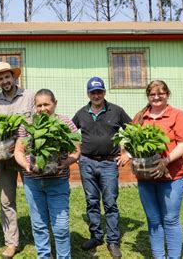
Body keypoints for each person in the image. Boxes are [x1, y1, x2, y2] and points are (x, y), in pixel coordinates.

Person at [14, 89, 80, 258]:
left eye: (46, 104)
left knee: (61, 226)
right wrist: (27, 165)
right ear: (35, 106)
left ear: (55, 104)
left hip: (57, 181)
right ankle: (44, 256)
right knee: (39, 225)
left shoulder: (65, 123)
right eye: (39, 105)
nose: (43, 108)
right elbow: (19, 152)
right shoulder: (28, 124)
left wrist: (64, 163)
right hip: (33, 182)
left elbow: (76, 151)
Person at [72, 77, 131, 258]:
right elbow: (70, 133)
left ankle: (113, 241)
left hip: (109, 163)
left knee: (110, 202)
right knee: (91, 201)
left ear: (104, 92)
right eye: (93, 92)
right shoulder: (81, 113)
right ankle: (96, 236)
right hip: (87, 162)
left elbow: (133, 130)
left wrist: (126, 153)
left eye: (99, 92)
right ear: (88, 94)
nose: (96, 95)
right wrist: (76, 154)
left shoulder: (117, 111)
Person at [132, 80, 183, 258]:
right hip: (146, 178)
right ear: (148, 96)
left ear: (167, 94)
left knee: (170, 220)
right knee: (153, 220)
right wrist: (128, 154)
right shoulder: (140, 117)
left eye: (160, 93)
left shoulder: (177, 116)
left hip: (172, 177)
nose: (156, 97)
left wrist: (166, 161)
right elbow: (130, 142)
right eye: (152, 94)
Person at [0, 62, 34, 258]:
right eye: (0, 78)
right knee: (6, 201)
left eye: (7, 77)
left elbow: (38, 123)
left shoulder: (29, 96)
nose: (5, 81)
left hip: (28, 157)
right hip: (4, 159)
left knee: (34, 198)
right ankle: (11, 242)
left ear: (14, 77)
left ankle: (41, 237)